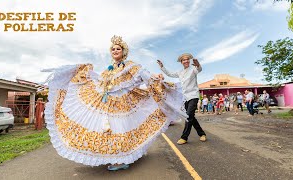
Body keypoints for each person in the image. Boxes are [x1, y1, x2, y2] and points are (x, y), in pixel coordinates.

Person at [43, 35, 188, 171]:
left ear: (123, 51)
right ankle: (117, 156)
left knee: (120, 130)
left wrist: (155, 76)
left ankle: (122, 160)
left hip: (123, 104)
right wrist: (86, 73)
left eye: (118, 48)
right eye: (113, 49)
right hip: (107, 103)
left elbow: (144, 74)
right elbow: (101, 82)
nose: (115, 51)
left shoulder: (131, 66)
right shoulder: (109, 69)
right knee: (108, 131)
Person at [157, 53, 207, 145]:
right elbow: (170, 74)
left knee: (188, 116)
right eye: (184, 60)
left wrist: (198, 65)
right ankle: (202, 134)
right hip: (185, 98)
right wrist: (162, 67)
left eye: (187, 59)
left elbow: (199, 70)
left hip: (193, 96)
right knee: (191, 117)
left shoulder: (193, 69)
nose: (186, 61)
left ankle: (184, 137)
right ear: (181, 62)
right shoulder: (180, 72)